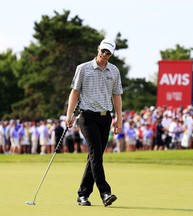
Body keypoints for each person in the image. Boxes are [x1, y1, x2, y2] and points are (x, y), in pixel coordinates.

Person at [66, 38, 123, 207]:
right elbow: (75, 92)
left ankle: (82, 194)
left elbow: (117, 96)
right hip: (87, 117)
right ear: (98, 48)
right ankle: (105, 192)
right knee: (96, 154)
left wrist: (119, 118)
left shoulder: (114, 71)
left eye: (108, 52)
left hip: (106, 118)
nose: (104, 54)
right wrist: (69, 115)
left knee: (94, 156)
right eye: (103, 51)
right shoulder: (83, 69)